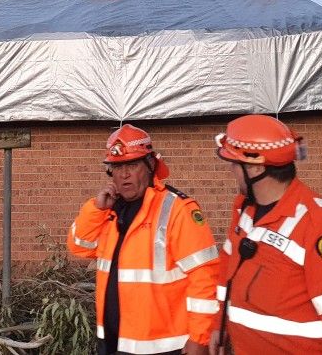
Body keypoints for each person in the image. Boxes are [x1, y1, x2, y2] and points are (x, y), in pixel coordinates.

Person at [209, 114, 322, 355]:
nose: (232, 172)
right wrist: (219, 325)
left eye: (234, 164)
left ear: (255, 166)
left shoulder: (321, 224)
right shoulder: (244, 210)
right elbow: (227, 271)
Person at [68, 124, 220, 355]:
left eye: (132, 165)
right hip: (112, 343)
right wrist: (96, 210)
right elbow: (78, 246)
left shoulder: (178, 209)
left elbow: (205, 277)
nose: (124, 174)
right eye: (117, 167)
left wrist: (200, 338)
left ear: (150, 166)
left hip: (164, 346)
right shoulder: (109, 211)